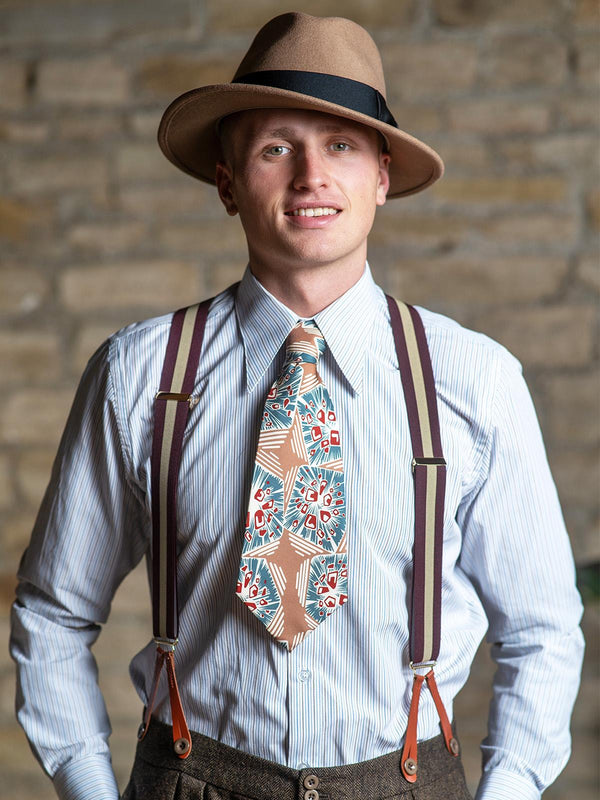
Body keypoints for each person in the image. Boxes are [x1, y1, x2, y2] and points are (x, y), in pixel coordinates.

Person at [10, 12, 584, 800]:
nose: (312, 175)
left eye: (341, 146)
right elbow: (53, 615)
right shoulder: (138, 375)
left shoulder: (474, 380)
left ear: (381, 176)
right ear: (226, 181)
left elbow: (543, 630)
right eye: (277, 147)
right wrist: (89, 786)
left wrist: (509, 789)